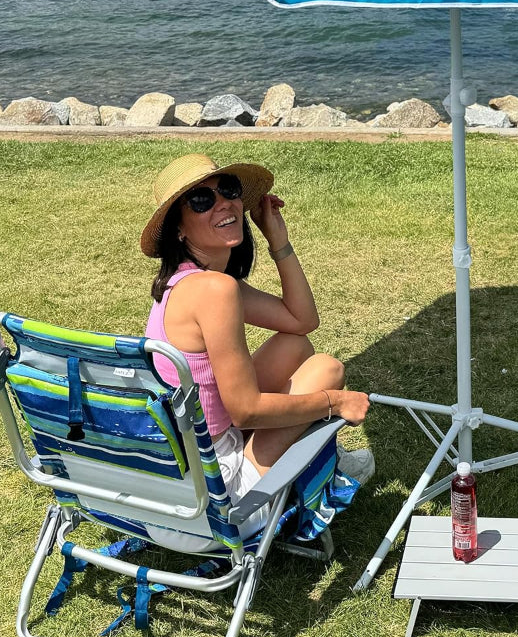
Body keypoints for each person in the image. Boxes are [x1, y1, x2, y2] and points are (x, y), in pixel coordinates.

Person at [142, 153, 373, 529]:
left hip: (185, 461)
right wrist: (335, 403)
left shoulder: (189, 281)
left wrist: (278, 240)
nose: (224, 203)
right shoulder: (213, 291)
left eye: (228, 190)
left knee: (294, 346)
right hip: (219, 493)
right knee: (328, 370)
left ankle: (311, 447)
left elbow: (302, 321)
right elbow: (246, 412)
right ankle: (317, 457)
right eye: (201, 201)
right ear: (178, 229)